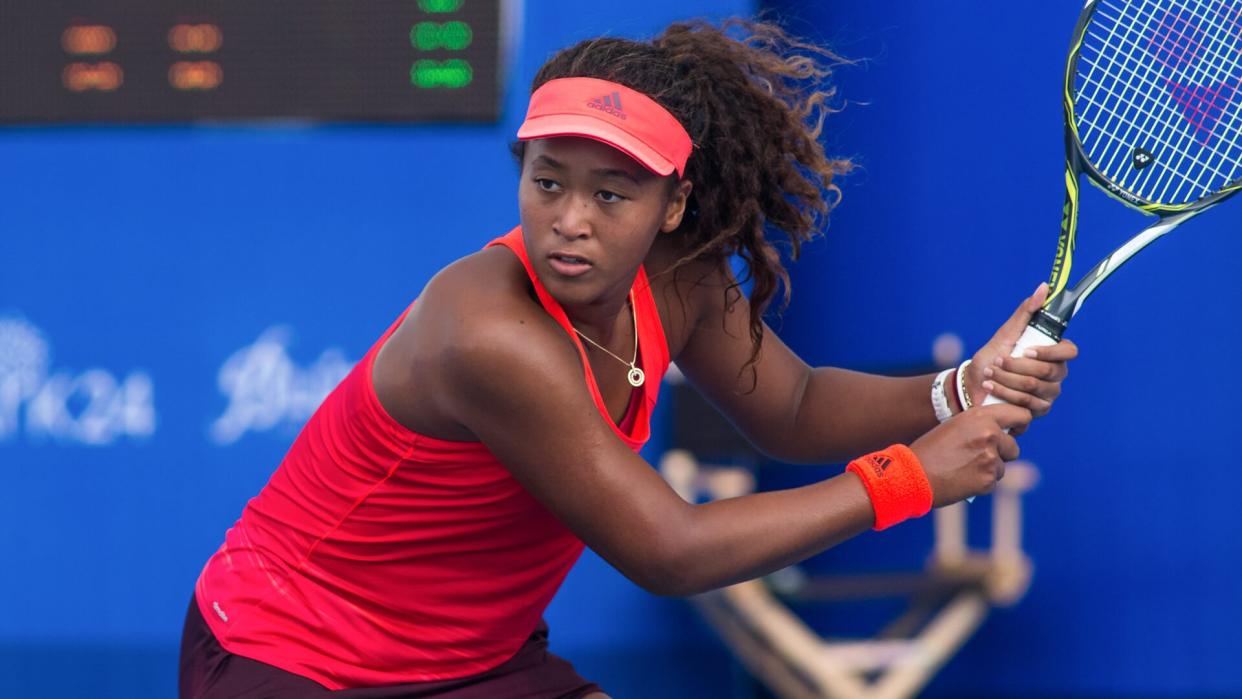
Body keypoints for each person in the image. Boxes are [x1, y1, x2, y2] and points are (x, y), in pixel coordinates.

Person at [179, 18, 1077, 699]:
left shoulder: (682, 279)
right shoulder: (487, 332)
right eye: (548, 182)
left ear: (674, 203)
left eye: (613, 193)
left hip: (470, 659)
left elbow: (793, 408)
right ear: (521, 173)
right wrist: (908, 478)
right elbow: (670, 551)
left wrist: (962, 388)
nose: (572, 219)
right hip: (289, 654)